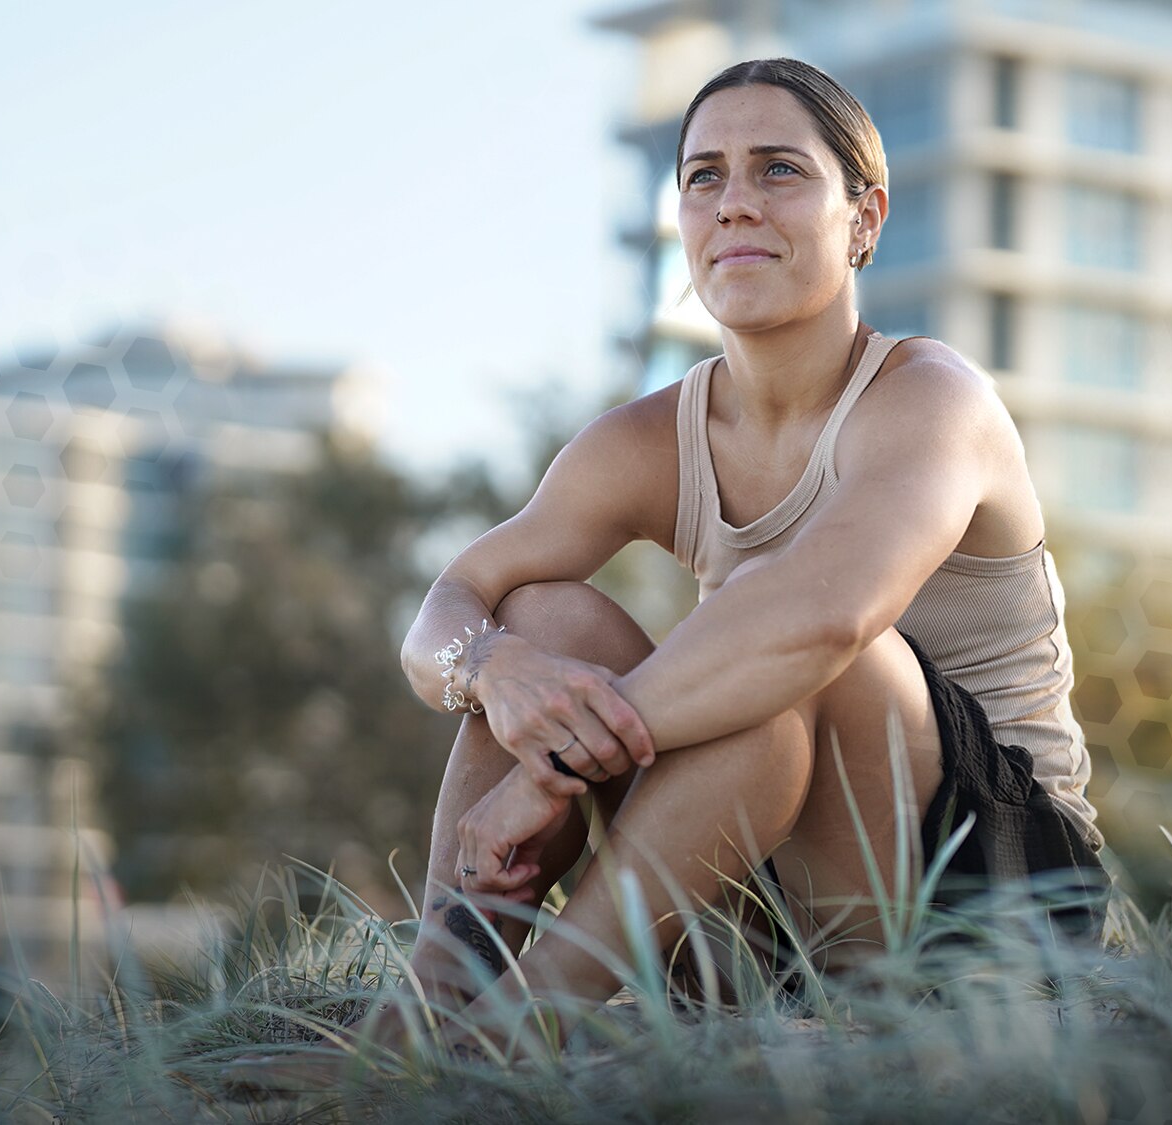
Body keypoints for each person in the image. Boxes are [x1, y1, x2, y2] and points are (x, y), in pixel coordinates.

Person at [273, 57, 1111, 1078]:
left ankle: (525, 1025)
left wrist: (554, 770)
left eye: (779, 171)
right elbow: (445, 611)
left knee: (781, 642)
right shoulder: (645, 440)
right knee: (545, 618)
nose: (735, 204)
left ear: (864, 219)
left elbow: (826, 621)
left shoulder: (931, 399)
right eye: (704, 176)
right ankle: (436, 1002)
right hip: (757, 899)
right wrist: (493, 672)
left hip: (990, 898)